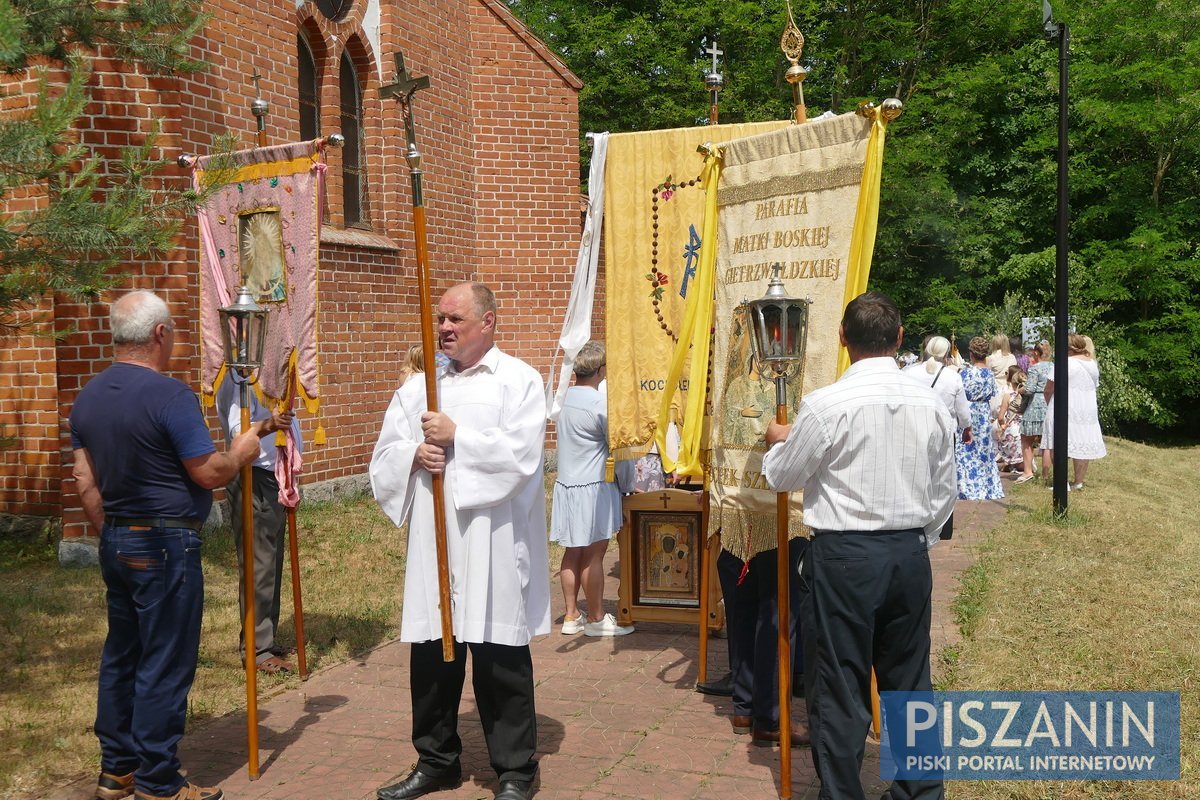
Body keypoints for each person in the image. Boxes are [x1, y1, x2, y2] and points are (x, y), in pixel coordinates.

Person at [70, 290, 291, 800]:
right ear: (160, 335)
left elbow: (85, 481)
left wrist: (112, 533)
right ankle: (159, 780)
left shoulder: (89, 397)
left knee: (122, 655)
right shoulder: (170, 396)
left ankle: (116, 769)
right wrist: (239, 452)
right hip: (166, 542)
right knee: (164, 661)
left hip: (119, 537)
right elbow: (208, 473)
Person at [763, 291, 956, 800]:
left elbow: (784, 476)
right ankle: (919, 791)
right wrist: (919, 539)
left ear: (843, 340)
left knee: (840, 683)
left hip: (845, 554)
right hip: (907, 552)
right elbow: (944, 490)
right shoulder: (931, 402)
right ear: (898, 338)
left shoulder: (826, 405)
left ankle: (844, 792)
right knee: (910, 680)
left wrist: (777, 440)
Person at [370, 282, 550, 800]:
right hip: (435, 539)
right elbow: (383, 457)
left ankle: (516, 770)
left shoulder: (519, 381)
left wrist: (457, 439)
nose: (444, 328)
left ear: (488, 322)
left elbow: (521, 457)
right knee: (432, 654)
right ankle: (436, 759)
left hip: (491, 536)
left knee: (499, 655)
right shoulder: (420, 389)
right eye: (440, 320)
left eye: (455, 320)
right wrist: (413, 456)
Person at [215, 373, 303, 674]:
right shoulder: (240, 375)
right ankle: (256, 649)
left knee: (271, 561)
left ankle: (266, 638)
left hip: (273, 476)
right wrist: (270, 425)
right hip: (253, 478)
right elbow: (240, 434)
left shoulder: (267, 371)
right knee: (258, 564)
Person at [550, 341, 632, 637]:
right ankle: (597, 618)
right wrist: (628, 485)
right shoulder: (600, 405)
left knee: (573, 551)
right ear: (601, 370)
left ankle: (572, 614)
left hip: (567, 483)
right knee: (595, 553)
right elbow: (619, 451)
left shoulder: (564, 400)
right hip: (593, 486)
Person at [1042, 333, 1107, 490]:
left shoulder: (1065, 363)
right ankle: (1078, 481)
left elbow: (1049, 388)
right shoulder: (1092, 363)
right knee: (1082, 442)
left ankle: (1061, 482)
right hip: (1086, 407)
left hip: (1064, 406)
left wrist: (1048, 402)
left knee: (1057, 442)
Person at [956, 336, 1004, 500]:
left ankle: (966, 486)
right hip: (983, 412)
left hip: (968, 409)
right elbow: (993, 394)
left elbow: (959, 393)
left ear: (971, 354)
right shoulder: (990, 374)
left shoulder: (964, 373)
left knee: (966, 450)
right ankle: (986, 486)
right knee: (983, 450)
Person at [1016, 342, 1053, 484]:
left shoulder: (1034, 368)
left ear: (1037, 353)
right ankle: (1045, 475)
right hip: (1050, 403)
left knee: (1026, 439)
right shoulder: (1054, 367)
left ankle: (1027, 471)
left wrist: (1020, 390)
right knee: (1048, 441)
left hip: (1036, 404)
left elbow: (1030, 389)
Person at [995, 366, 1025, 473]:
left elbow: (1000, 417)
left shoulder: (1008, 396)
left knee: (1002, 437)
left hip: (1012, 429)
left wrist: (1003, 425)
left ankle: (1012, 463)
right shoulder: (1027, 397)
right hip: (1024, 428)